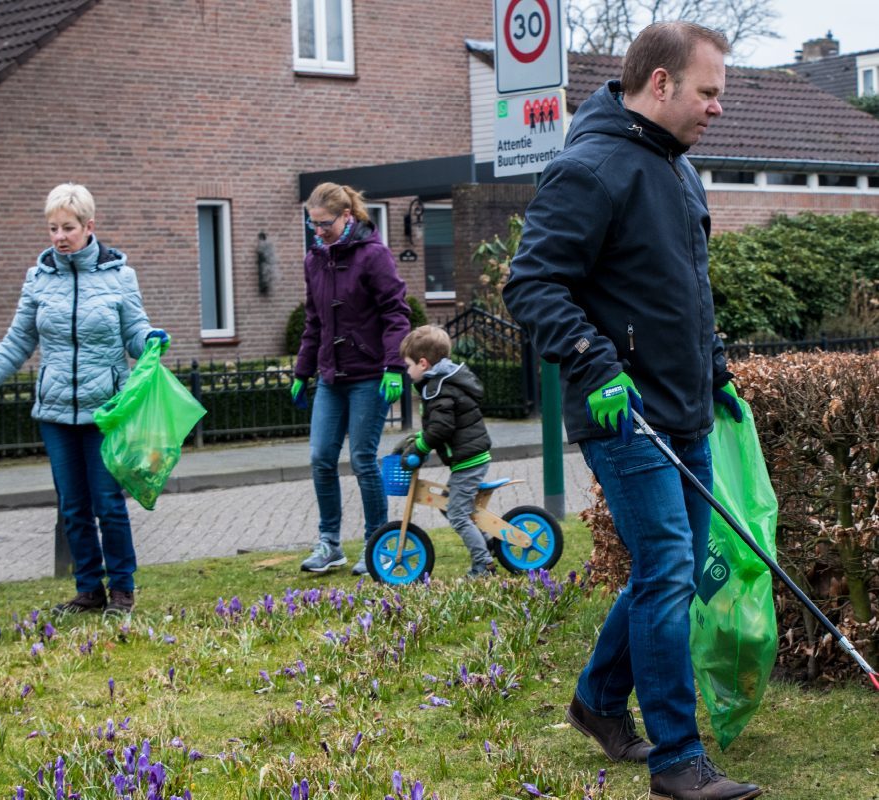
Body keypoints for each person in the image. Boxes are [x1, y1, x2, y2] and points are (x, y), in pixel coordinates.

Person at [502, 22, 760, 800]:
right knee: (668, 568)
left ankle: (598, 700)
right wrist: (592, 363)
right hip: (624, 413)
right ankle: (678, 761)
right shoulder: (592, 167)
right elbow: (532, 284)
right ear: (660, 84)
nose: (717, 107)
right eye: (707, 92)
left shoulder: (680, 171)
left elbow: (688, 289)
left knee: (665, 570)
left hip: (683, 407)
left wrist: (715, 371)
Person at [0, 183, 169, 617]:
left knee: (108, 504)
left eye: (68, 227)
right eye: (52, 228)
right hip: (56, 411)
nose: (59, 236)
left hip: (108, 411)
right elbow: (17, 342)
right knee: (73, 507)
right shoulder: (39, 278)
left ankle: (122, 590)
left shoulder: (120, 275)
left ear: (89, 226)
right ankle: (88, 591)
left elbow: (135, 333)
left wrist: (151, 339)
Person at [292, 182, 411, 576]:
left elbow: (396, 313)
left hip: (369, 375)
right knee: (321, 458)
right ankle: (329, 544)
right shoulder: (314, 260)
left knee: (362, 459)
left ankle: (376, 543)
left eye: (324, 224)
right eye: (313, 225)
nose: (318, 232)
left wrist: (395, 367)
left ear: (347, 217)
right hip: (331, 376)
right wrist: (302, 370)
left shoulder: (374, 256)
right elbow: (314, 321)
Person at [397, 325, 494, 578]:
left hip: (469, 460)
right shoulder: (439, 383)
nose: (407, 372)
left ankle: (483, 565)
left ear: (423, 363)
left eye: (408, 365)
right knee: (447, 504)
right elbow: (438, 426)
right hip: (467, 458)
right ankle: (487, 542)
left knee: (457, 513)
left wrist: (420, 445)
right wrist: (418, 437)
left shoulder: (439, 388)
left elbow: (441, 428)